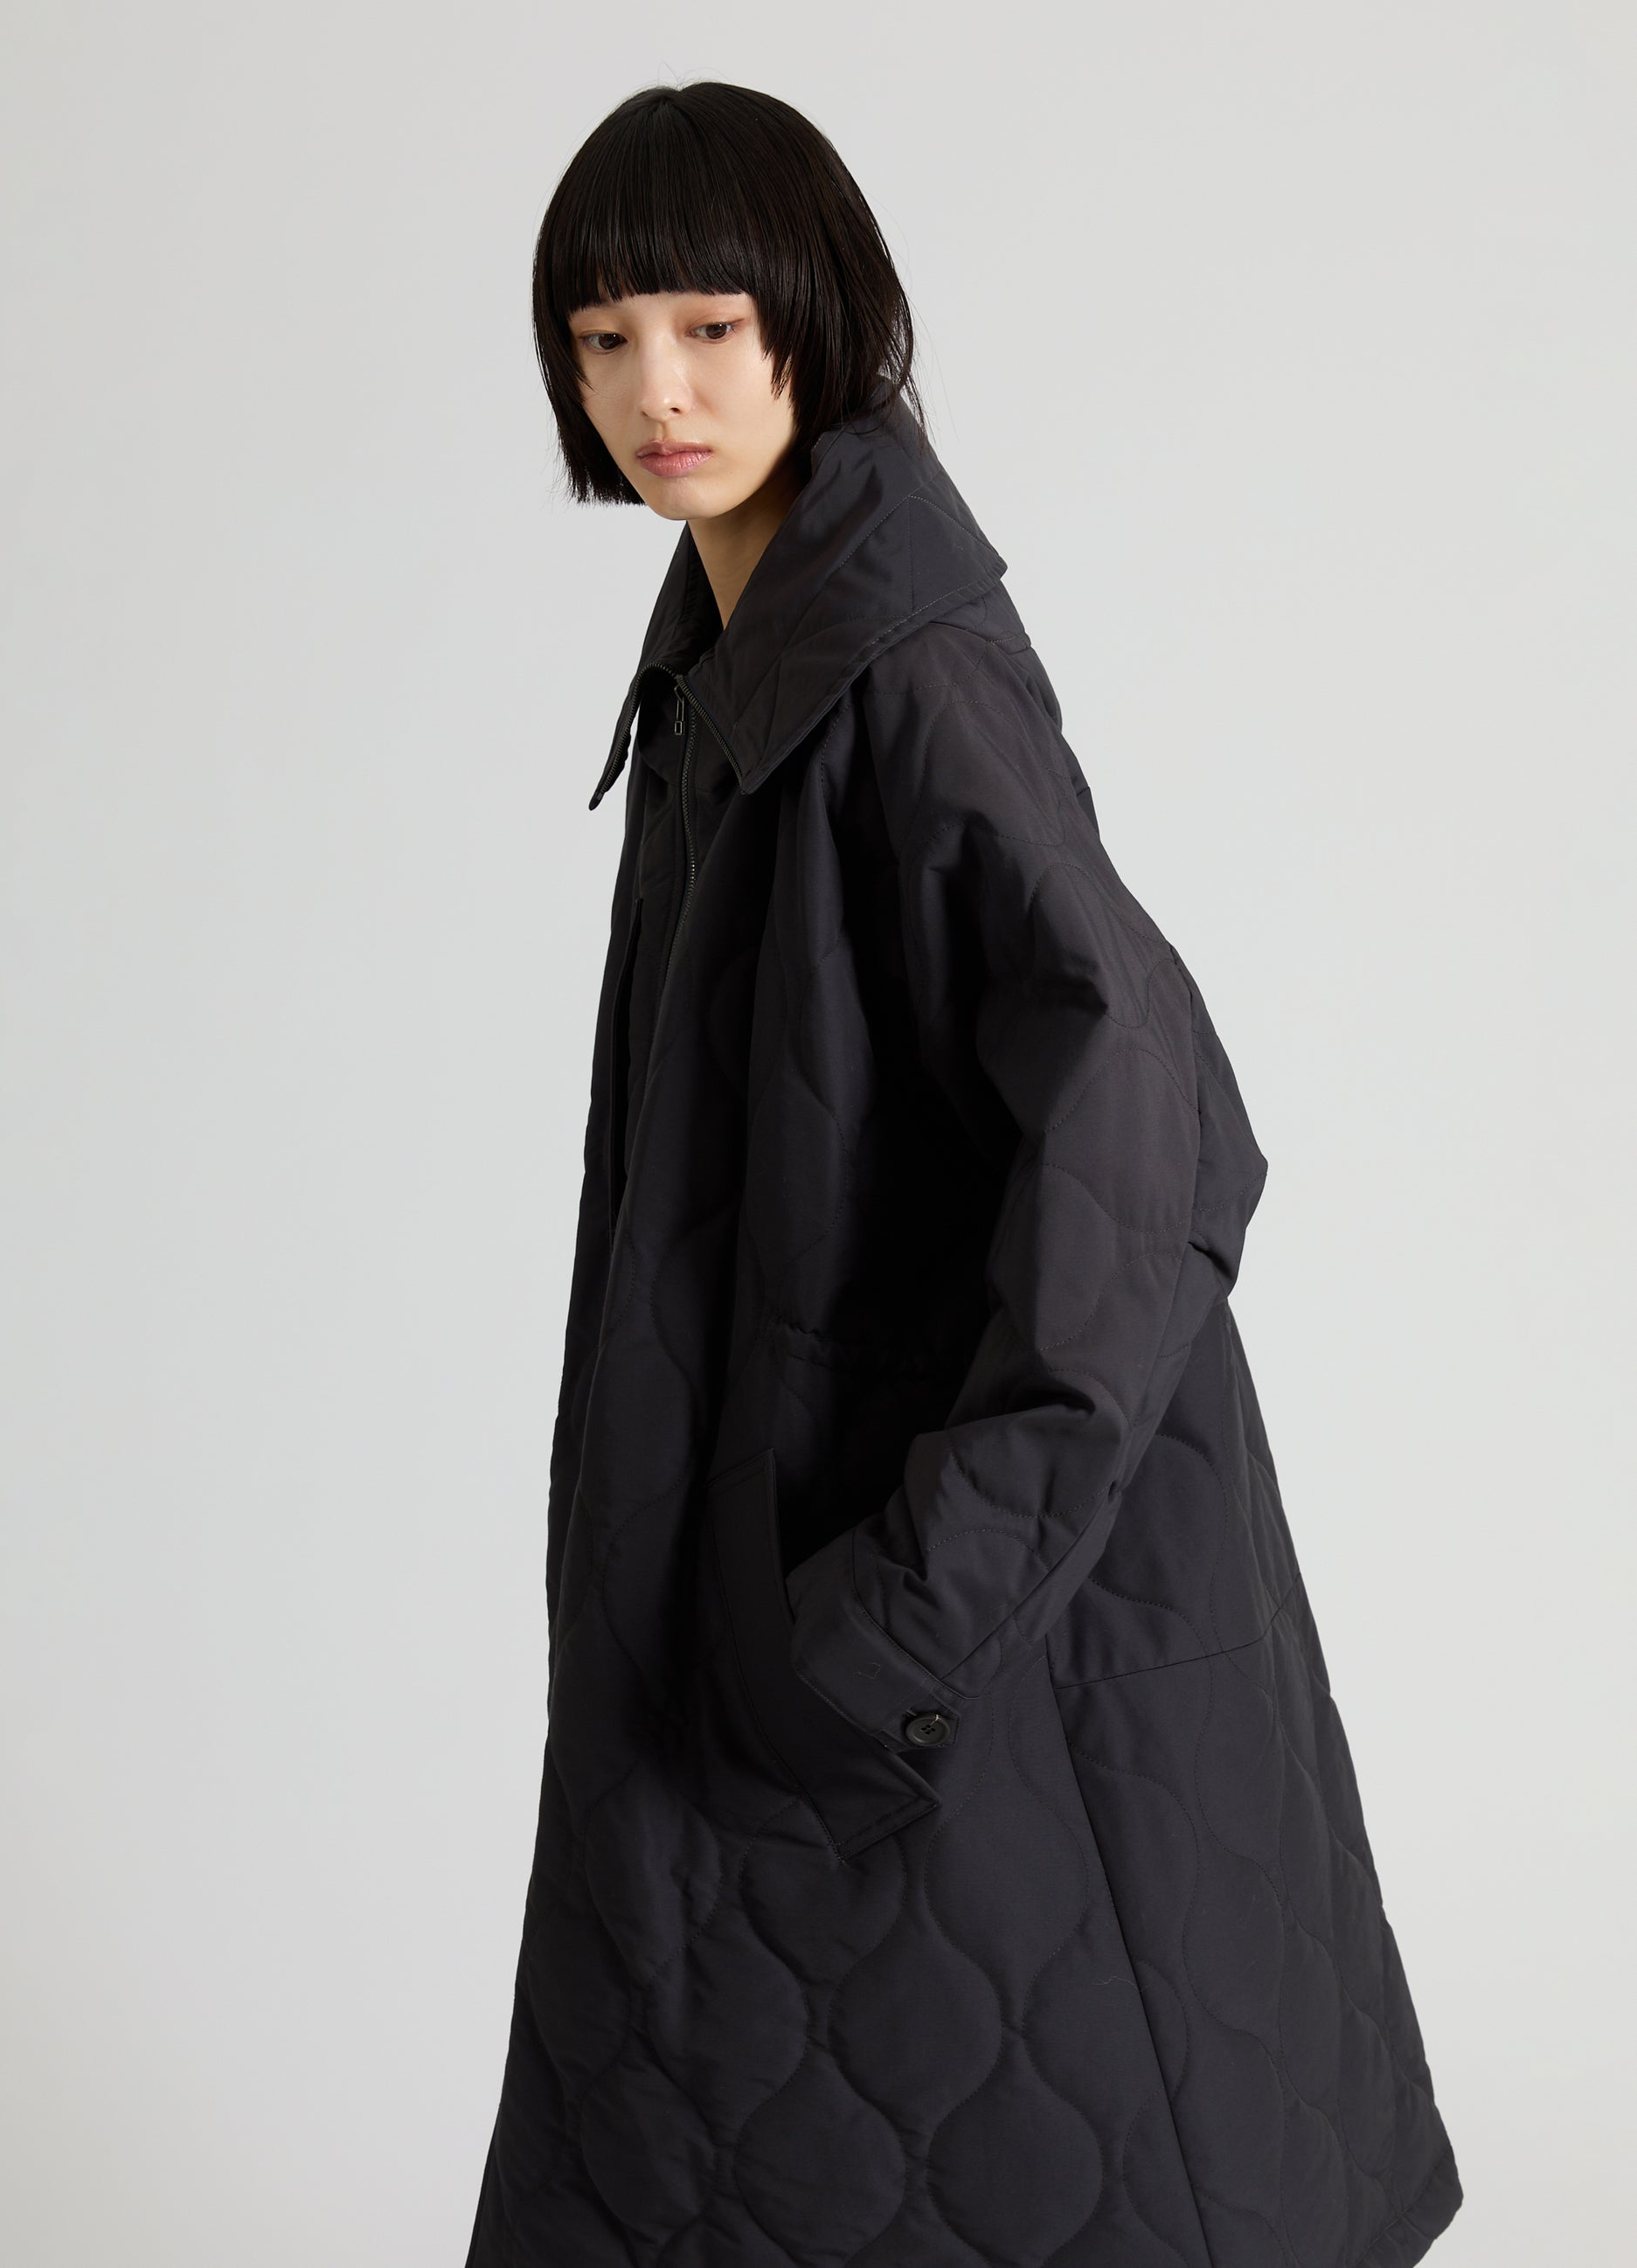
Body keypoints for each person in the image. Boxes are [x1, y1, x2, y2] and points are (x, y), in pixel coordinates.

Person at [464, 80, 1462, 2268]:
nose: (655, 391)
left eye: (709, 326)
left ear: (816, 320)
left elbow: (1153, 1125)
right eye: (605, 337)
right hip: (777, 1608)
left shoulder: (900, 674)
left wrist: (904, 1611)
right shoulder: (737, 656)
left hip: (947, 1656)